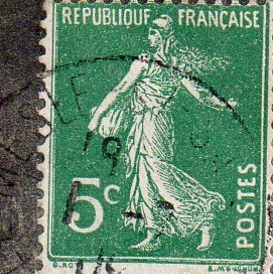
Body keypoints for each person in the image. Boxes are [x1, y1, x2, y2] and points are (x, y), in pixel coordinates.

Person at [86, 15, 232, 252]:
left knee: (159, 174)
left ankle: (205, 213)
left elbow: (200, 94)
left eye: (154, 34)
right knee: (144, 178)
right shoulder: (144, 63)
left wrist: (224, 104)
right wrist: (98, 116)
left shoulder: (172, 67)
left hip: (157, 123)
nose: (149, 37)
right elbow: (119, 91)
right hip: (141, 122)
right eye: (150, 33)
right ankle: (154, 233)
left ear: (165, 37)